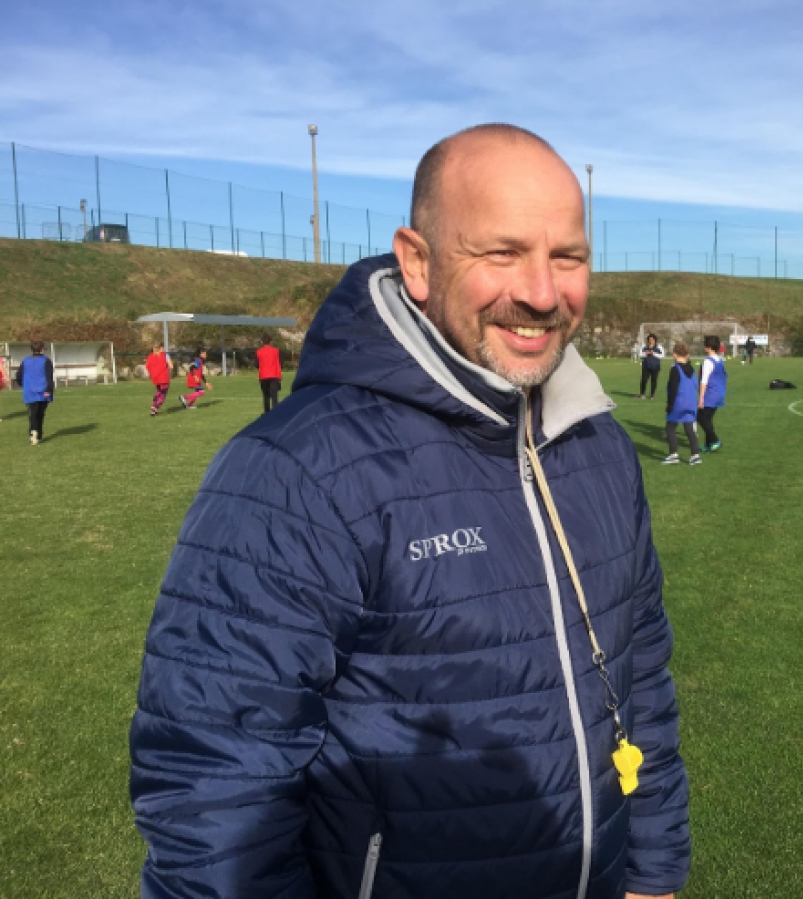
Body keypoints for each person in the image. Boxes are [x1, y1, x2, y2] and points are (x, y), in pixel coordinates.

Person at [129, 124, 689, 899]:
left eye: (568, 256)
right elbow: (215, 787)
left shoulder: (600, 445)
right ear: (418, 262)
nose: (541, 291)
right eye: (502, 252)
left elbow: (641, 676)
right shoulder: (297, 470)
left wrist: (653, 870)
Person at [663, 342, 702, 466]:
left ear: (675, 354)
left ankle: (673, 454)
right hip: (691, 402)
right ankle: (695, 455)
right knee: (689, 428)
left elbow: (673, 388)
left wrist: (670, 405)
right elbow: (695, 385)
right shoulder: (692, 369)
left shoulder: (675, 369)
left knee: (670, 427)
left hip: (678, 403)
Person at [16, 341, 53, 445]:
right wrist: (49, 389)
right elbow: (49, 376)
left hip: (29, 391)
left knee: (33, 413)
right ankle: (38, 435)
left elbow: (18, 375)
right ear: (41, 350)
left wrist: (23, 385)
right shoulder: (46, 361)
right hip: (43, 391)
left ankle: (33, 433)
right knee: (40, 414)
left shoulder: (25, 361)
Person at [697, 335, 726, 452]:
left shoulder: (708, 361)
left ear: (708, 347)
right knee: (707, 418)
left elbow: (704, 381)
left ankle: (715, 441)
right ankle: (708, 445)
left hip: (711, 393)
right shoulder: (719, 360)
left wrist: (700, 398)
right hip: (720, 392)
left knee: (700, 417)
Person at [255, 333, 283, 414]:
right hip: (274, 375)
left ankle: (267, 412)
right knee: (274, 396)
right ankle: (275, 413)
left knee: (266, 396)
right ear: (270, 341)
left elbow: (256, 364)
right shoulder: (276, 351)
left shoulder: (258, 352)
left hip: (263, 376)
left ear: (262, 342)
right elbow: (280, 362)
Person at [146, 343, 171, 416]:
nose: (163, 349)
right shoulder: (165, 355)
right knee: (163, 394)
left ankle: (153, 406)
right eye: (163, 348)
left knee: (159, 391)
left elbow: (148, 366)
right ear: (160, 348)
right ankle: (155, 408)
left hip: (156, 378)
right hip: (164, 378)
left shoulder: (150, 356)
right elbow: (171, 365)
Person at [636, 333, 664, 399]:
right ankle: (642, 394)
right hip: (646, 366)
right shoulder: (644, 346)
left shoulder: (659, 347)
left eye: (652, 339)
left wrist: (653, 353)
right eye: (649, 339)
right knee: (643, 380)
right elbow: (640, 355)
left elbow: (662, 356)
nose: (650, 341)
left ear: (654, 340)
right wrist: (646, 353)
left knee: (653, 381)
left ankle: (652, 395)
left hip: (655, 367)